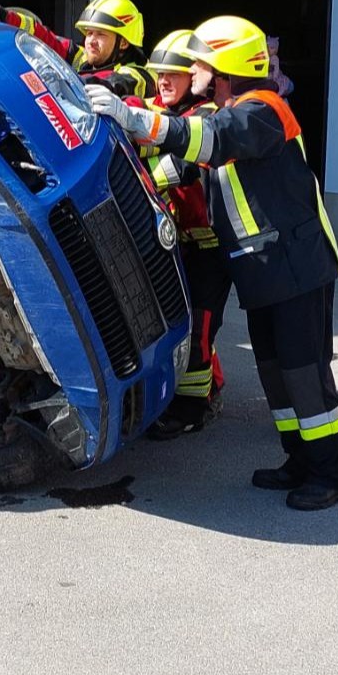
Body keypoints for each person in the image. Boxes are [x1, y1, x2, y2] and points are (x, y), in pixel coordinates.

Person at [87, 15, 338, 509]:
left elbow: (209, 139)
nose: (194, 70)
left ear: (224, 67)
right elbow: (183, 161)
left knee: (304, 376)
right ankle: (299, 459)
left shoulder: (262, 110)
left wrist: (135, 120)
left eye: (202, 64)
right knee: (276, 373)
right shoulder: (230, 114)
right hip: (264, 270)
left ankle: (333, 472)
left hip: (294, 268)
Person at [138, 29, 228, 438]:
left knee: (200, 326)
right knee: (168, 323)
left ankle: (193, 408)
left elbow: (184, 163)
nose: (164, 81)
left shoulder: (209, 116)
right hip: (169, 243)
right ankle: (199, 387)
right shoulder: (154, 108)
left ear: (194, 76)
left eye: (173, 74)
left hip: (210, 248)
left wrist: (146, 179)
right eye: (159, 74)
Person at [0, 0, 155, 99]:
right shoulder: (83, 59)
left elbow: (108, 84)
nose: (91, 41)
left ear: (123, 43)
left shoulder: (139, 75)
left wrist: (52, 80)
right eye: (89, 33)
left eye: (100, 34)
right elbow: (43, 38)